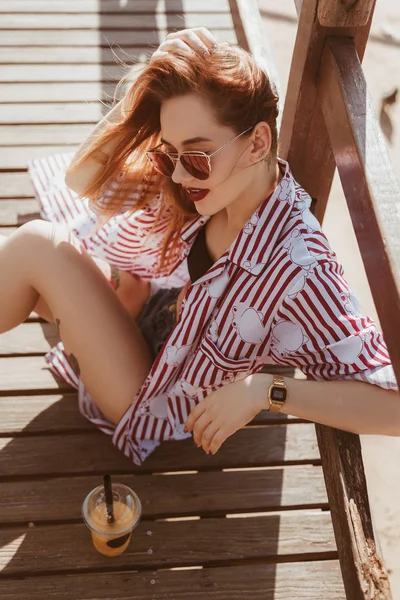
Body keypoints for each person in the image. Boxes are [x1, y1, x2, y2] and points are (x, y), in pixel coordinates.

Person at [1, 28, 398, 467]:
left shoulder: (300, 267)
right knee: (25, 261)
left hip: (153, 390)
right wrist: (142, 92)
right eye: (168, 154)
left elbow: (394, 407)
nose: (178, 176)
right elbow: (82, 183)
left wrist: (267, 391)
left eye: (196, 157)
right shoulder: (204, 184)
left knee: (36, 247)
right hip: (151, 306)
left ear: (259, 143)